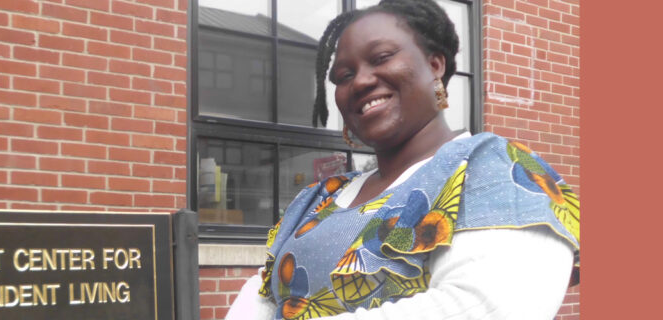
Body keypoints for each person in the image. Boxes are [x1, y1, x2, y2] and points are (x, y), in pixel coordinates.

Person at [224, 0, 580, 319]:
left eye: (381, 58)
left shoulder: (497, 170)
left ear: (435, 65)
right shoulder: (321, 196)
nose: (360, 81)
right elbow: (262, 293)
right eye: (344, 76)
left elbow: (489, 307)